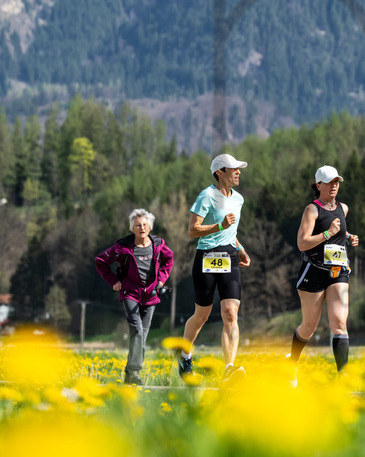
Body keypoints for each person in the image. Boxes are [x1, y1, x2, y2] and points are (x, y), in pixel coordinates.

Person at [177, 153, 252, 381]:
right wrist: (219, 225)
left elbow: (232, 231)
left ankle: (229, 368)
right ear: (220, 172)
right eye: (233, 169)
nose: (238, 172)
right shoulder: (206, 196)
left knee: (231, 312)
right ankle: (184, 355)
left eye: (239, 168)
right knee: (202, 315)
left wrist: (240, 249)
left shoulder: (238, 199)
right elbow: (192, 231)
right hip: (207, 256)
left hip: (229, 256)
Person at [289, 165, 359, 377]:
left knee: (339, 322)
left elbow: (340, 232)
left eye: (337, 182)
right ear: (318, 185)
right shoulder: (312, 210)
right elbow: (302, 243)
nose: (334, 186)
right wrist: (328, 233)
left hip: (338, 272)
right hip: (314, 271)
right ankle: (291, 363)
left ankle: (343, 378)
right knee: (309, 327)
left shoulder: (343, 208)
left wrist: (349, 237)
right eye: (329, 182)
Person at [95, 208, 174, 385]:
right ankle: (135, 373)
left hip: (151, 295)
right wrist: (114, 281)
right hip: (129, 293)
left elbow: (169, 259)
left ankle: (130, 372)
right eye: (138, 225)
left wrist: (161, 281)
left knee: (141, 335)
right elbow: (100, 261)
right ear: (132, 228)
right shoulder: (122, 247)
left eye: (145, 224)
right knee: (137, 330)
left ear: (150, 227)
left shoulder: (158, 244)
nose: (142, 228)